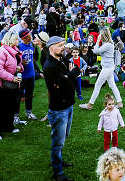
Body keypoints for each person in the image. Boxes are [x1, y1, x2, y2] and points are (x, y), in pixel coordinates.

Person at [43, 35, 81, 181]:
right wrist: (69, 76)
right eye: (59, 45)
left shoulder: (62, 59)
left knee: (64, 137)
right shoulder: (50, 66)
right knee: (57, 141)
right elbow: (65, 81)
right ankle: (58, 173)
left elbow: (75, 70)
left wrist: (68, 76)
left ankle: (59, 159)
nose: (63, 47)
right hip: (59, 108)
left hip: (69, 104)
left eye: (63, 44)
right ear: (51, 47)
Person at [0, 31, 23, 140]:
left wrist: (20, 67)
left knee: (10, 105)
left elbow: (16, 64)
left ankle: (8, 126)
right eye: (16, 39)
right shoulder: (1, 52)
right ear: (10, 40)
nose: (18, 41)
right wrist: (13, 78)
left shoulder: (15, 50)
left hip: (9, 83)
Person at [80, 27, 123, 110]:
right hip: (109, 67)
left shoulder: (107, 45)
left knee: (97, 85)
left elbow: (95, 51)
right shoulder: (108, 43)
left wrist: (97, 40)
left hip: (107, 68)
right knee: (112, 85)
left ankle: (90, 105)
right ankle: (119, 103)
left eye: (100, 34)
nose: (99, 35)